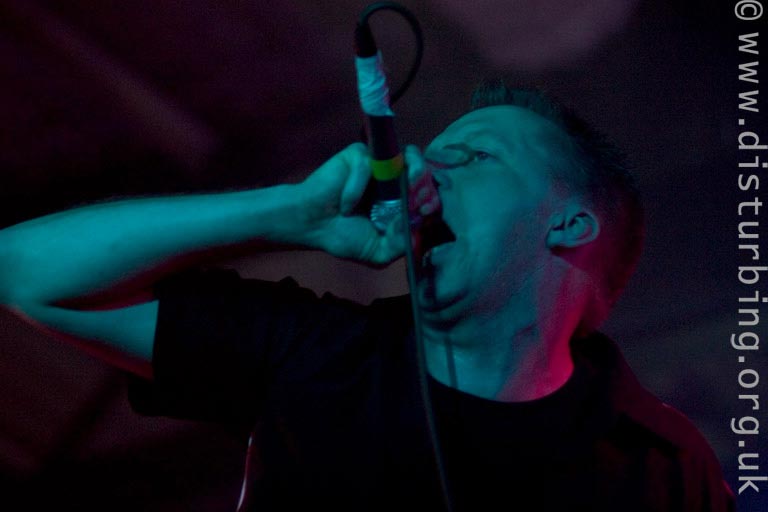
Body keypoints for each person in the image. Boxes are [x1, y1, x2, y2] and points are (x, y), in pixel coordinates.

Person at [0, 82, 734, 511]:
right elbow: (24, 272)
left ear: (570, 224)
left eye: (473, 157)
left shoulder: (667, 469)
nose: (423, 173)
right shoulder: (317, 349)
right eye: (430, 155)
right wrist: (291, 213)